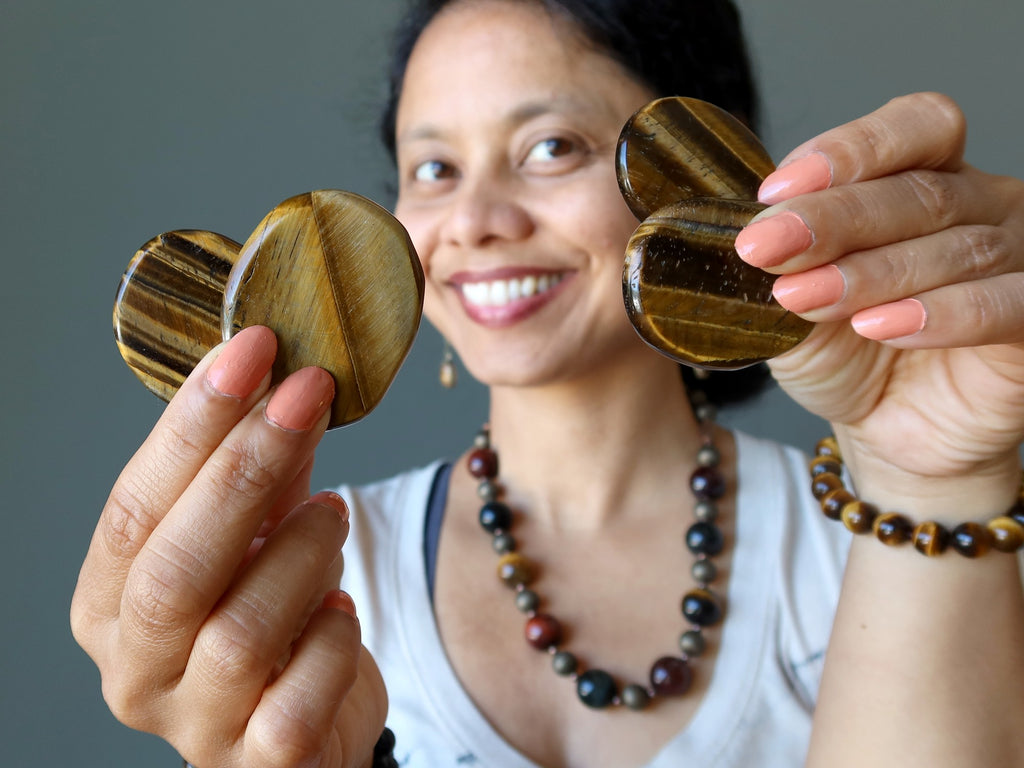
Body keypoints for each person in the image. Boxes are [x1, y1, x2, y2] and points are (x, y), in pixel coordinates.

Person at [71, 0, 1024, 766]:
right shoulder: (306, 589)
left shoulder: (895, 544)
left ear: (692, 169)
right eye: (434, 167)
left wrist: (929, 488)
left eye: (550, 148)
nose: (475, 220)